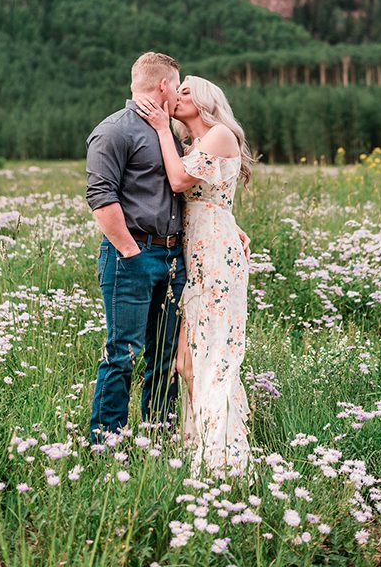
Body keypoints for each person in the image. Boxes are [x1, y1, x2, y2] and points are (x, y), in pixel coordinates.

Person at [135, 75, 254, 473]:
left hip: (217, 256)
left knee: (213, 354)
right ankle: (204, 445)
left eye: (185, 91)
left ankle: (223, 457)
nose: (177, 96)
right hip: (198, 252)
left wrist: (160, 131)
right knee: (187, 360)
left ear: (204, 100)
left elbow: (181, 180)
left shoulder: (220, 134)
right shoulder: (192, 145)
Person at [86, 52, 188, 445]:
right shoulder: (114, 130)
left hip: (173, 258)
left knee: (164, 357)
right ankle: (105, 443)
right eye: (177, 86)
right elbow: (100, 196)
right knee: (122, 353)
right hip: (132, 255)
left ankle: (157, 435)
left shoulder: (171, 133)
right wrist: (130, 252)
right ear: (163, 85)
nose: (178, 94)